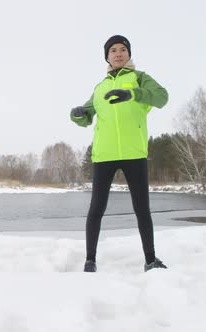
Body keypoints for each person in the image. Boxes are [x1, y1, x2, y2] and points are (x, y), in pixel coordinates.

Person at [70, 35, 169, 273]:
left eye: (122, 49)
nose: (118, 53)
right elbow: (85, 117)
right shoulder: (100, 87)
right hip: (104, 154)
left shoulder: (139, 78)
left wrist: (132, 94)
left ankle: (150, 260)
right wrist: (76, 114)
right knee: (96, 208)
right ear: (107, 56)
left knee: (141, 208)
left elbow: (162, 97)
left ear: (128, 54)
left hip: (134, 153)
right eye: (113, 50)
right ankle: (90, 261)